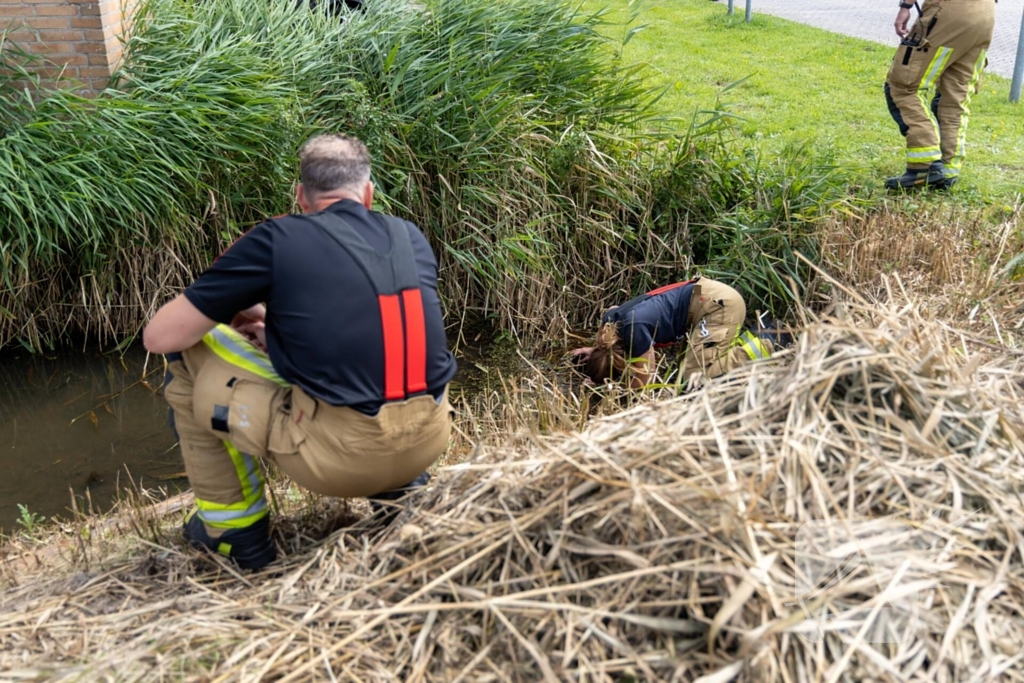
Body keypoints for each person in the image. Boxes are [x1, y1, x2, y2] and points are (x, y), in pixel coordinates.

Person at [143, 134, 457, 570]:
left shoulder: (277, 238)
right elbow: (366, 334)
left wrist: (232, 310)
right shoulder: (408, 235)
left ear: (300, 196)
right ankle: (402, 494)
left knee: (191, 350)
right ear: (367, 193)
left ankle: (237, 535)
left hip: (337, 460)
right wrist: (272, 329)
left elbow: (161, 337)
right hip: (428, 440)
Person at [572, 277, 782, 388]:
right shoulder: (610, 321)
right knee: (689, 366)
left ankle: (772, 340)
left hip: (715, 304)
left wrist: (615, 389)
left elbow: (646, 377)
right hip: (703, 293)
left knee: (694, 380)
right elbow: (611, 309)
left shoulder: (634, 330)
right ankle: (756, 337)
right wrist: (595, 350)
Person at [883, 0, 995, 190]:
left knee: (903, 87)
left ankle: (925, 167)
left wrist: (906, 6)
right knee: (954, 98)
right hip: (985, 14)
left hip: (948, 12)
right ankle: (948, 171)